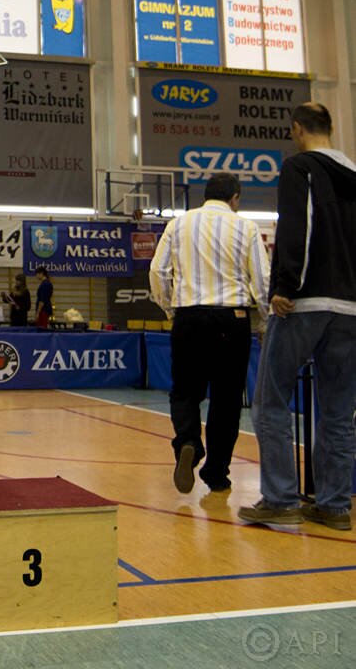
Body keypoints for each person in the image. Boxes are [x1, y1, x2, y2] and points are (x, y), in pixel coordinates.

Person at [239, 103, 356, 531]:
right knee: (339, 412)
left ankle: (281, 499)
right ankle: (334, 505)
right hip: (350, 309)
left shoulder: (299, 167)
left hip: (304, 303)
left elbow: (296, 226)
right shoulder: (353, 173)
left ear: (296, 129)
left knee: (271, 400)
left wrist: (285, 286)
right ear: (331, 127)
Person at [149, 172, 270, 494]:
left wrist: (171, 309)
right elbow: (262, 280)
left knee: (184, 392)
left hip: (189, 316)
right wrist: (265, 321)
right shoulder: (246, 227)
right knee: (227, 400)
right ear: (235, 197)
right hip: (232, 319)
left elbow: (157, 271)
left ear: (205, 195)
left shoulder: (178, 224)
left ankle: (188, 442)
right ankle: (217, 473)